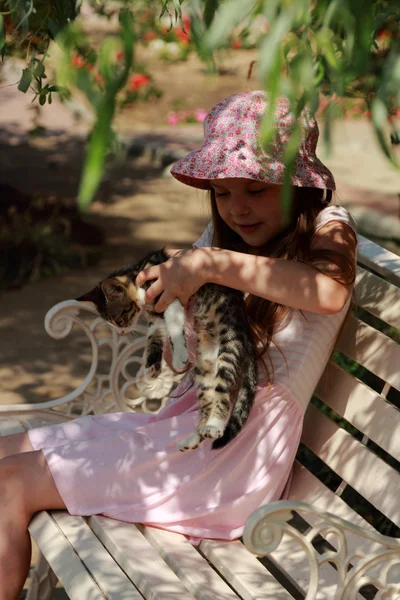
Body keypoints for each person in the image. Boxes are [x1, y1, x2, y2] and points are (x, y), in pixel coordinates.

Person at [0, 90, 357, 598]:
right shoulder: (225, 236)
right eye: (222, 192)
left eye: (254, 190)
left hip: (230, 463)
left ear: (296, 186)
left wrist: (210, 265)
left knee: (10, 485)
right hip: (182, 427)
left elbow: (327, 291)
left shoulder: (328, 224)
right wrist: (178, 306)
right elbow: (179, 361)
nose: (237, 209)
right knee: (3, 457)